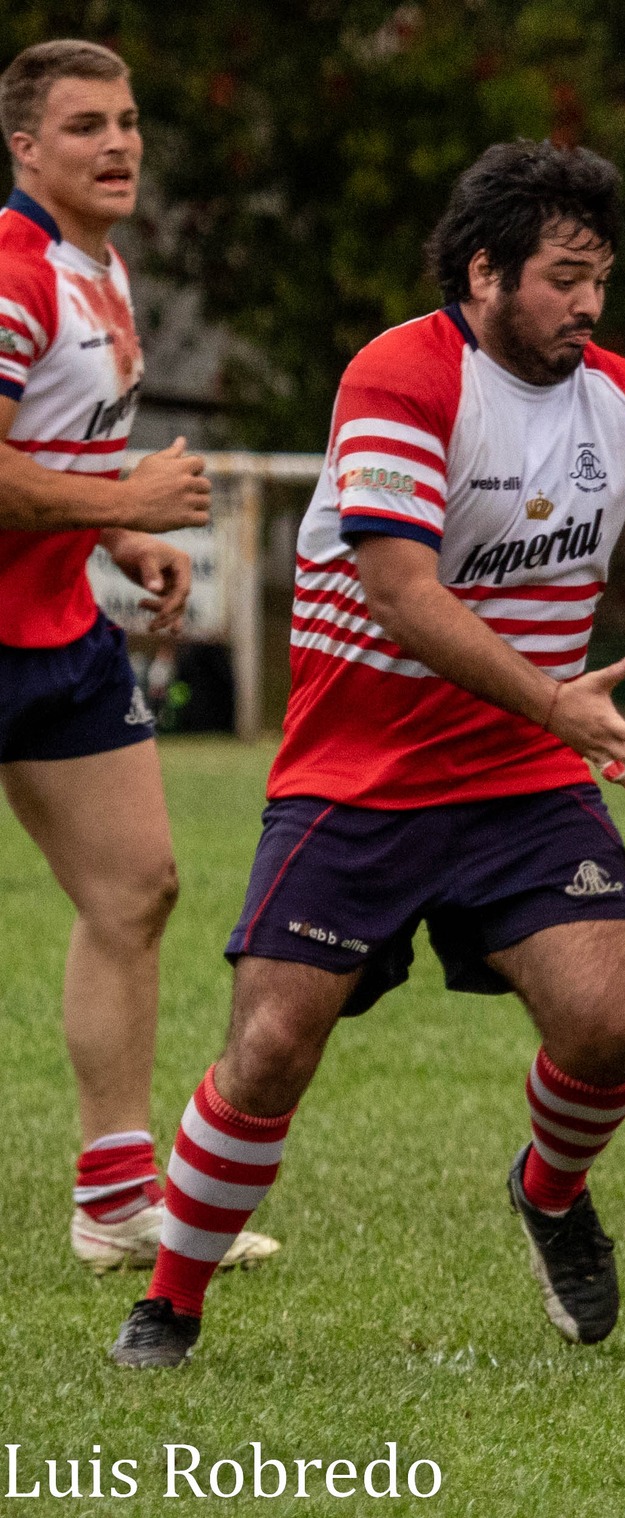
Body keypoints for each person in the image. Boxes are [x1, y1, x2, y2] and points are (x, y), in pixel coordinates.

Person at [106, 139, 625, 1369]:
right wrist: (557, 705)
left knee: (609, 1022)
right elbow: (400, 593)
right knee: (271, 1045)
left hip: (522, 779)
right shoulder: (399, 377)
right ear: (484, 271)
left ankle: (547, 1192)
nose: (589, 305)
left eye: (599, 279)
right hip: (356, 777)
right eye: (563, 277)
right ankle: (170, 1301)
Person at [0, 39, 276, 1275]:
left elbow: (44, 453)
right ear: (24, 148)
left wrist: (115, 529)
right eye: (81, 127)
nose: (116, 145)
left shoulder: (98, 267)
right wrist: (122, 493)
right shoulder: (11, 273)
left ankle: (115, 1204)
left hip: (54, 631)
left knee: (135, 891)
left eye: (126, 122)